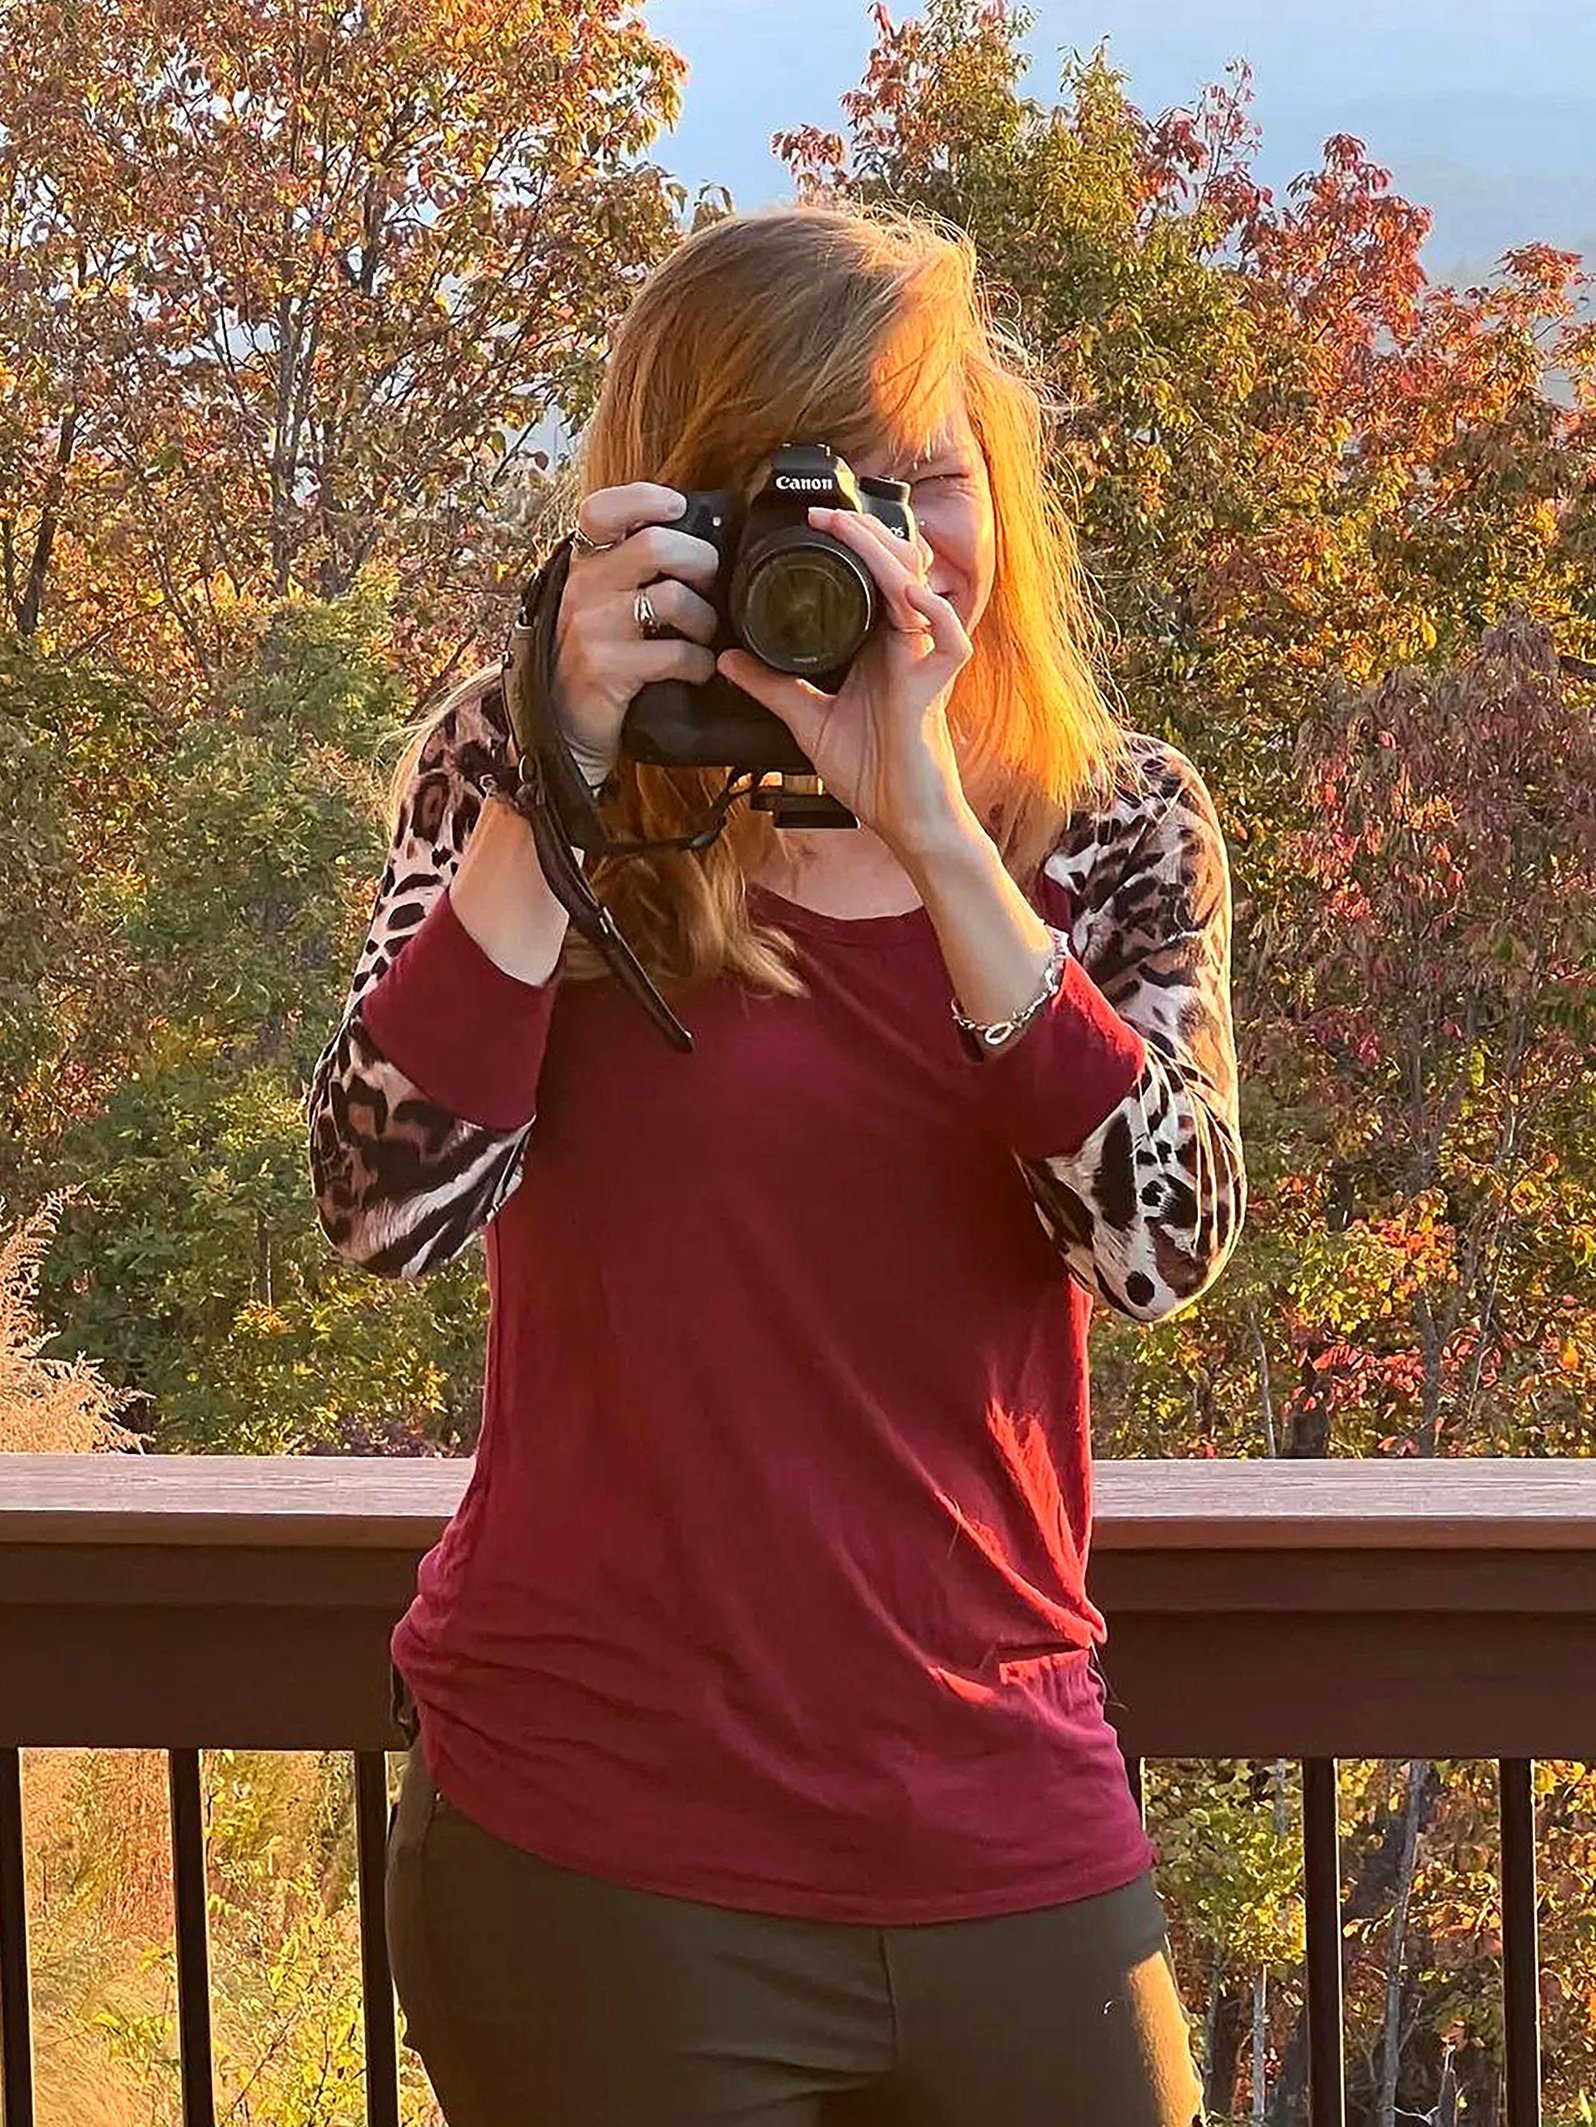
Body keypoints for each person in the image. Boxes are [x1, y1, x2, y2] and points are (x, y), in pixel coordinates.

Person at [305, 200, 1243, 2127]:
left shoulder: (1114, 821)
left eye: (922, 483)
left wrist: (943, 851)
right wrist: (558, 790)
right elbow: (380, 1205)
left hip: (1007, 1804)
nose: (877, 548)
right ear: (666, 519)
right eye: (797, 497)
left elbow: (1162, 1246)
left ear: (1001, 498)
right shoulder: (519, 773)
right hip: (597, 1835)